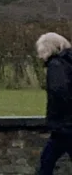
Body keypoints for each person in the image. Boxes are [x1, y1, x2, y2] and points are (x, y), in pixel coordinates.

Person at [37, 32, 72, 175]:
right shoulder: (68, 62)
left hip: (64, 125)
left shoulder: (55, 65)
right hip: (67, 124)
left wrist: (57, 121)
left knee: (47, 162)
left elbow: (59, 92)